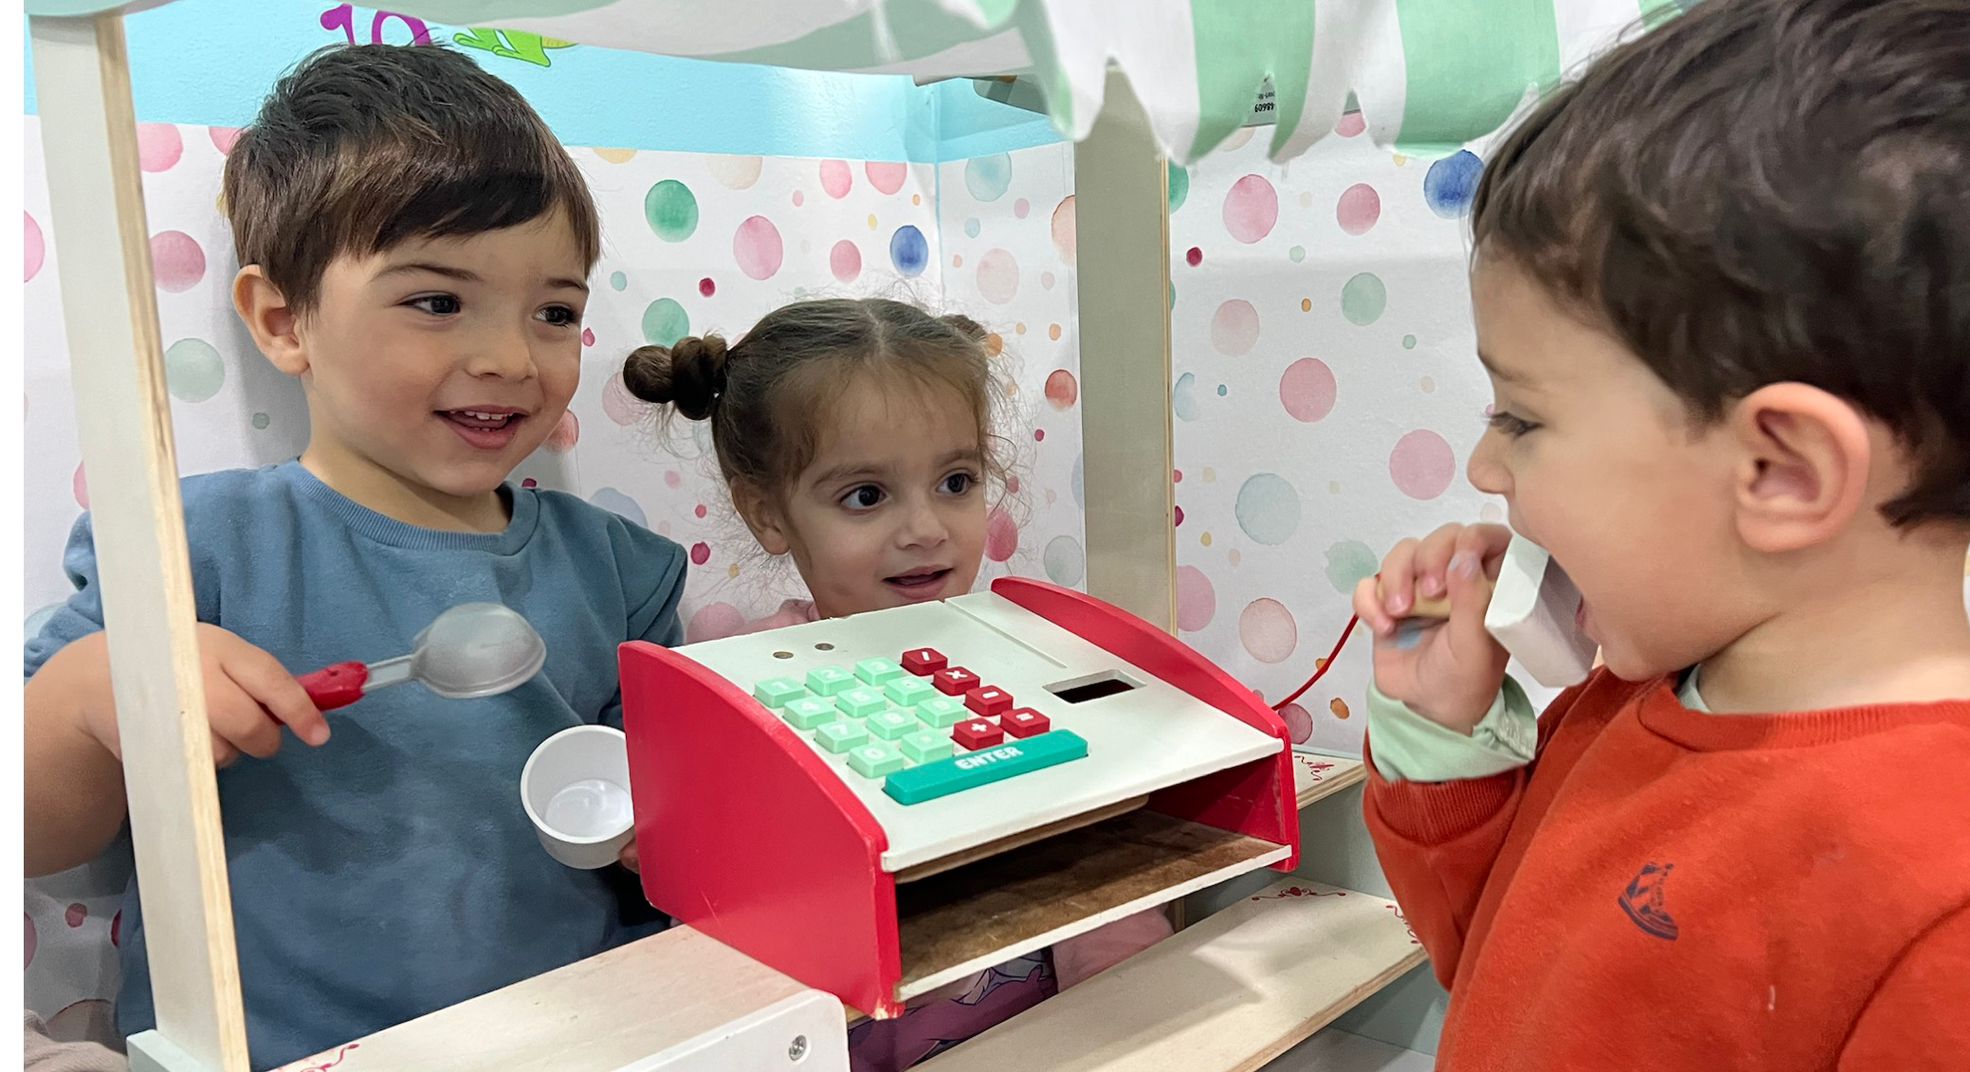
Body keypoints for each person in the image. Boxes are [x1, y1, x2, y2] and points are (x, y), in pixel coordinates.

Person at [1350, 1, 1970, 1068]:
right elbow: (1498, 972)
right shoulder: (1638, 699)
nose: (1485, 468)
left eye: (1522, 418)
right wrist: (1442, 733)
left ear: (1780, 471)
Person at [23, 45, 684, 1069]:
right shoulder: (193, 548)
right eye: (436, 301)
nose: (512, 356)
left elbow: (678, 843)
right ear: (284, 321)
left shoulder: (621, 571)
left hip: (594, 1037)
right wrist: (105, 688)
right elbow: (31, 830)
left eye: (555, 311)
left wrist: (680, 828)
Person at [623, 297, 1170, 1069]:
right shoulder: (734, 693)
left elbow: (1102, 874)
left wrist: (1140, 1028)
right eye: (866, 496)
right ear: (768, 515)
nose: (925, 528)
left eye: (956, 480)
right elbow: (722, 950)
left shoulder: (1032, 653)